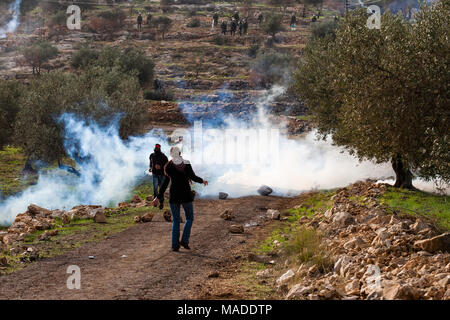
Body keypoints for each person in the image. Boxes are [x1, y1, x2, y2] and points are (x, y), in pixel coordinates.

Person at [153, 147, 208, 252]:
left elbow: (165, 182)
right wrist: (202, 181)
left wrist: (158, 196)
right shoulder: (186, 163)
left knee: (176, 220)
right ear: (179, 153)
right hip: (186, 194)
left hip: (174, 195)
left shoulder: (168, 165)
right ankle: (184, 240)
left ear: (171, 154)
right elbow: (192, 176)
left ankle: (175, 245)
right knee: (189, 218)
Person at [149, 144, 168, 209]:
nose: (156, 149)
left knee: (161, 189)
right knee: (155, 188)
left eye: (157, 148)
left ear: (159, 149)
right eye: (155, 148)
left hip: (162, 174)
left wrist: (161, 167)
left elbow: (167, 166)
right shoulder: (152, 155)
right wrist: (151, 167)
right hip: (154, 174)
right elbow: (151, 163)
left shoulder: (163, 156)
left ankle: (161, 202)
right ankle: (155, 202)